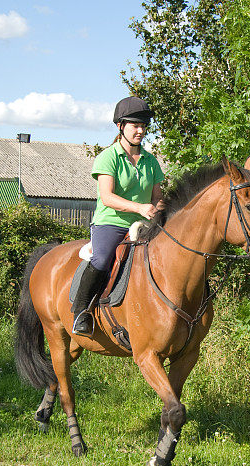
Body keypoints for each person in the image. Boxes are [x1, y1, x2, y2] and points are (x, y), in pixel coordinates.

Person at [72, 96, 165, 336]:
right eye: (135, 125)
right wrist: (140, 208)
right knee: (102, 260)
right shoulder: (108, 157)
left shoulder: (151, 161)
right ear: (120, 126)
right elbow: (107, 197)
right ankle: (81, 313)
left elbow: (157, 197)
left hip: (144, 223)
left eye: (144, 126)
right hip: (111, 223)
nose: (141, 130)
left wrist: (158, 208)